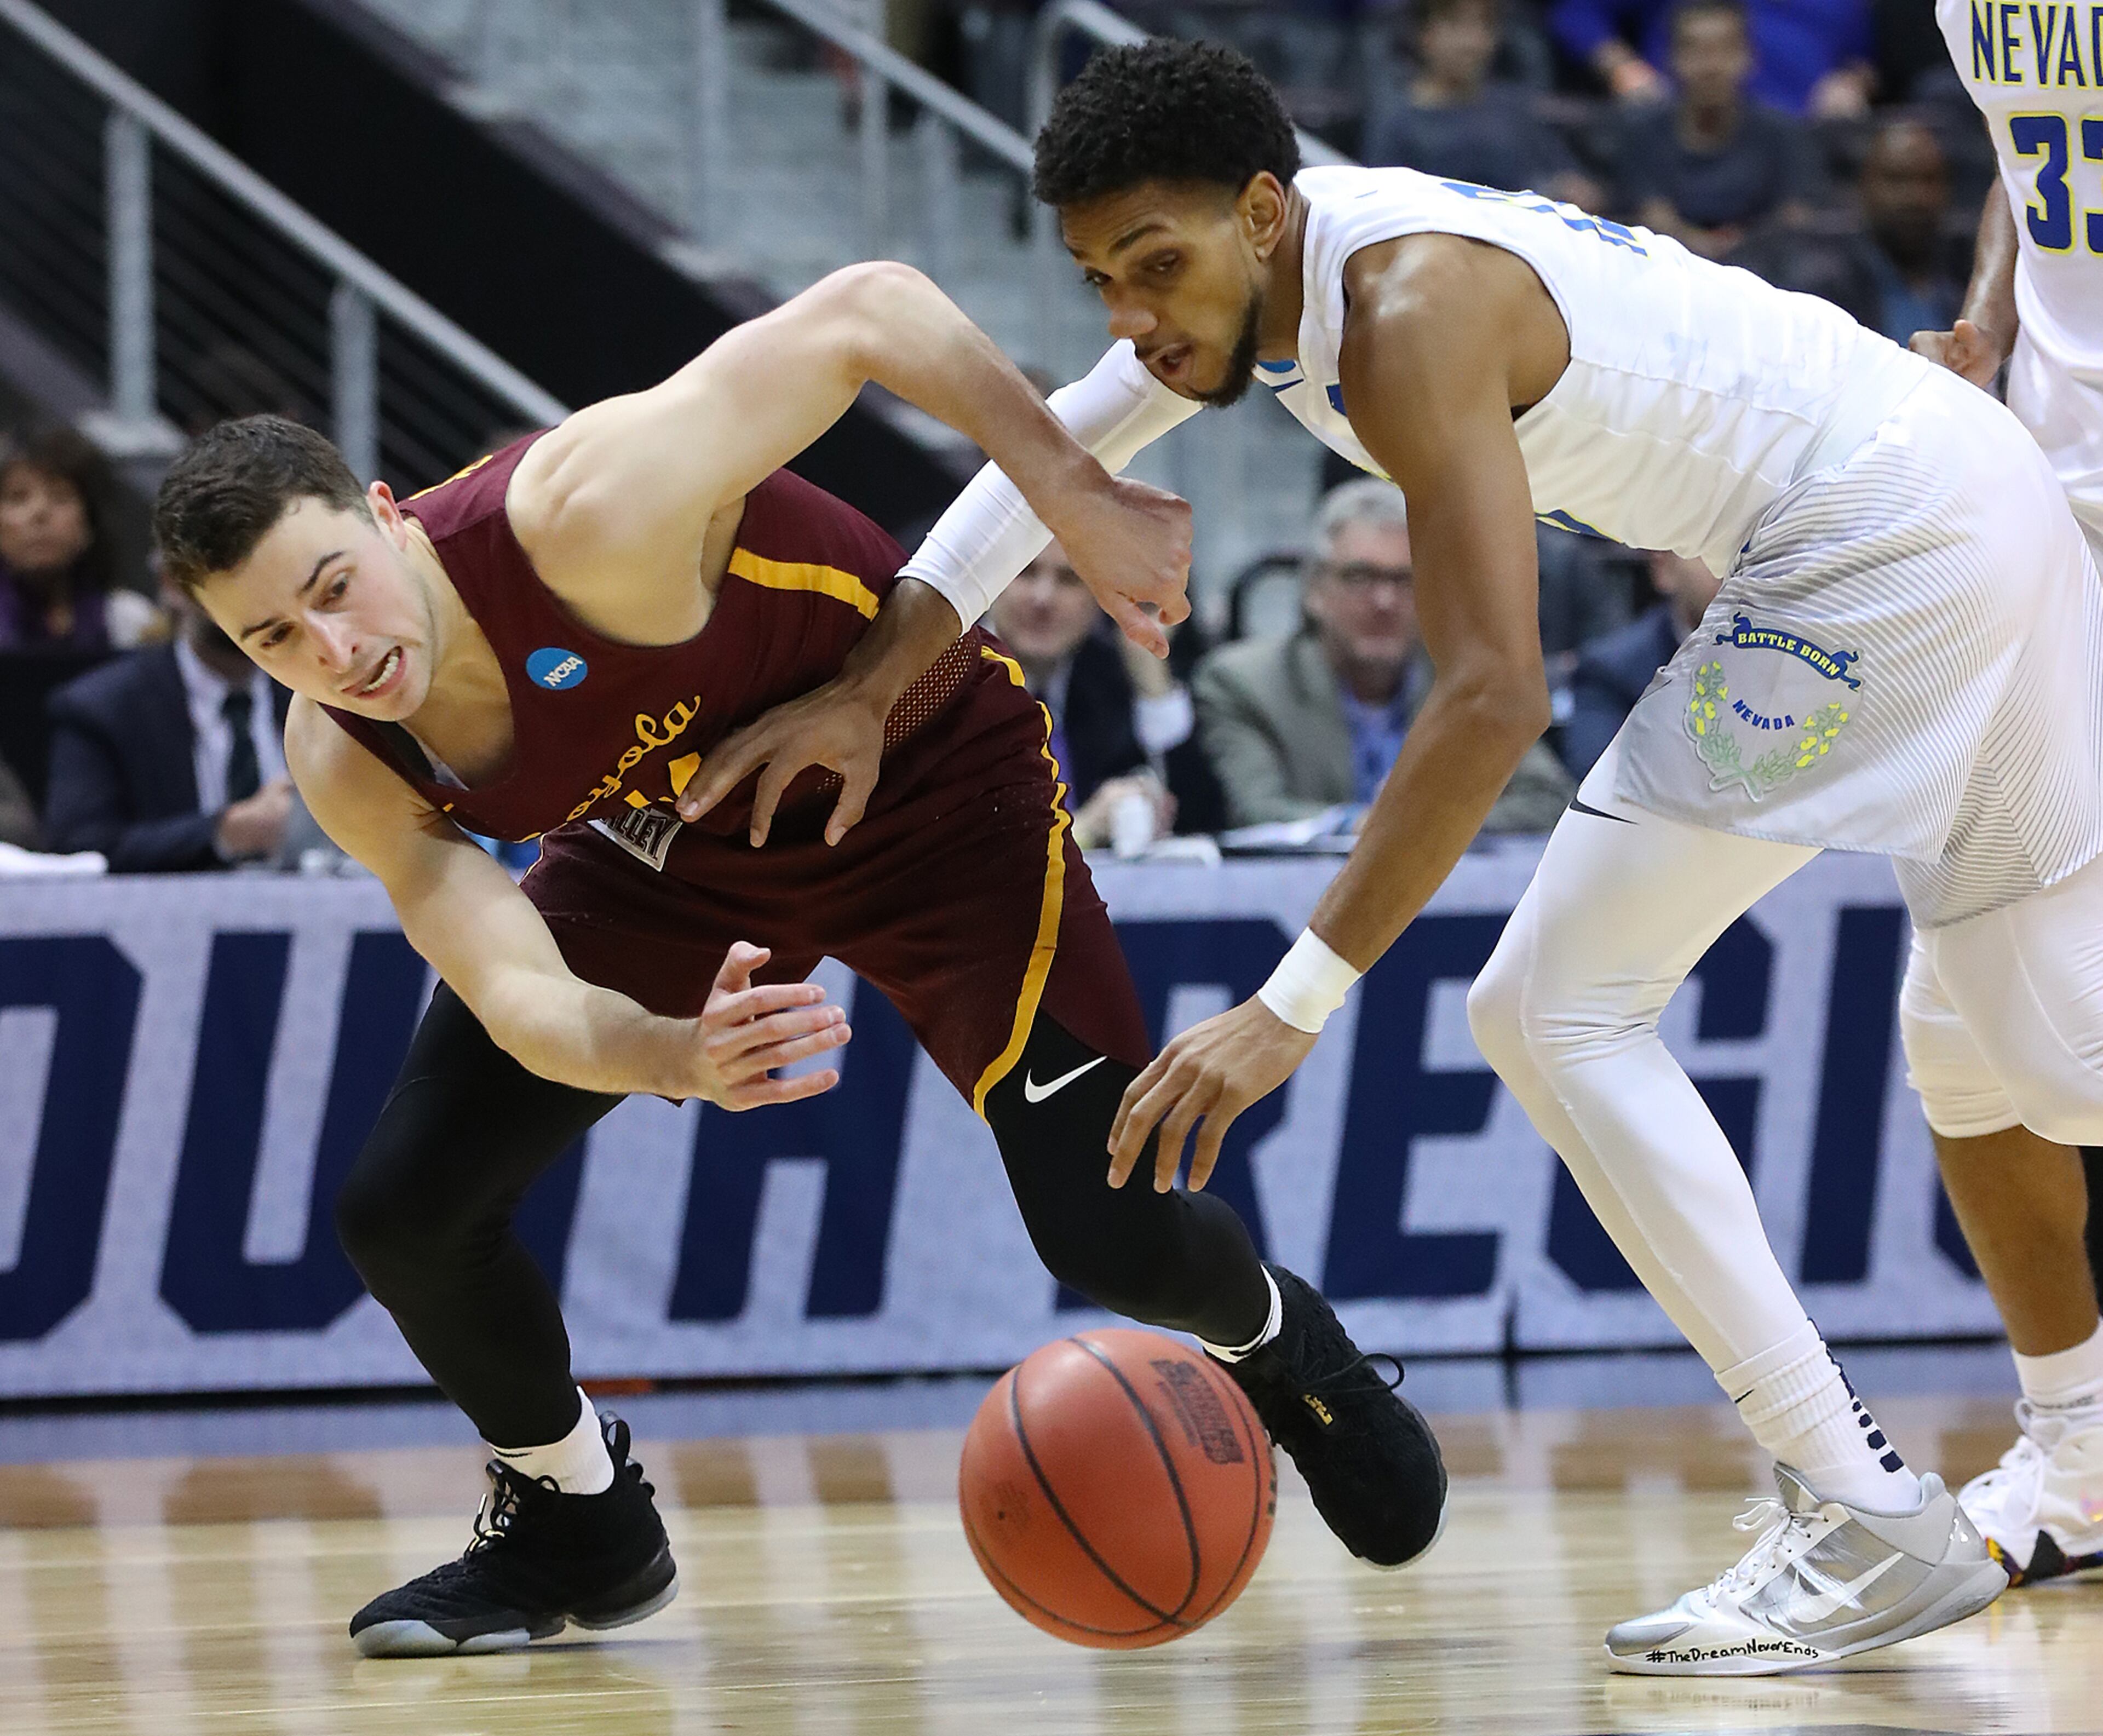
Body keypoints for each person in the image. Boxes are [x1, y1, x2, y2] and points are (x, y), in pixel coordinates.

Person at [731, 40, 2096, 1674]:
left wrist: (1288, 1004)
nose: (1128, 316)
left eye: (1150, 266)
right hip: (1970, 496)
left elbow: (1492, 693)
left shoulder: (1399, 314)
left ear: (1259, 210)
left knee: (1550, 1008)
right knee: (2042, 1053)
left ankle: (1859, 1508)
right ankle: (2059, 1463)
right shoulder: (1271, 278)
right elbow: (1043, 459)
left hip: (1871, 540)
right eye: (1097, 277)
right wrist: (870, 692)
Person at [151, 262, 1446, 1658]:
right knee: (406, 1208)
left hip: (931, 794)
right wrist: (673, 1054)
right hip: (682, 845)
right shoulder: (344, 753)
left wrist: (1067, 490)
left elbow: (867, 310)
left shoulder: (587, 512)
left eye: (335, 586)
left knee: (1112, 1236)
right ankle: (576, 1518)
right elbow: (518, 989)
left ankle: (1281, 1344)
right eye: (273, 637)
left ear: (387, 514)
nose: (338, 650)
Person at [1899, 0, 2103, 1590]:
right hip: (2042, 499)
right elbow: (2030, 163)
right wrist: (1988, 326)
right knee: (1955, 1023)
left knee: (2047, 1040)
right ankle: (2083, 1455)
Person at [1193, 478, 1572, 829]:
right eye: (1360, 577)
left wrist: (1427, 825)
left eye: (1405, 580)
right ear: (1315, 591)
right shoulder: (1245, 685)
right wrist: (1371, 828)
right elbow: (1257, 811)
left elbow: (1549, 799)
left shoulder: (1473, 684)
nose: (1384, 601)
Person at [44, 576, 292, 870]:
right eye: (220, 569)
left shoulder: (322, 695)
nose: (239, 590)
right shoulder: (101, 707)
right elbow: (78, 847)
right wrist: (226, 832)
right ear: (171, 583)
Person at [986, 539, 1202, 849]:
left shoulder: (1106, 675)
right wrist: (1082, 829)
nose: (1043, 598)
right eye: (1025, 573)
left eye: (1069, 579)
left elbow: (1198, 822)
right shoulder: (944, 675)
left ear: (1100, 599)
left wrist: (1149, 671)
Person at [1613, 0, 1823, 261]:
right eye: (1695, 50)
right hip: (1668, 266)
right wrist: (1701, 247)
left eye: (1725, 49)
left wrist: (1740, 247)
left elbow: (1795, 215)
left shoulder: (1783, 133)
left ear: (1750, 56)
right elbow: (1651, 214)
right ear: (1670, 57)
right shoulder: (1642, 133)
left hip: (1767, 269)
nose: (1711, 66)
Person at [1366, 0, 1601, 211]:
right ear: (1425, 34)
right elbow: (1383, 207)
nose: (1473, 42)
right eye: (1456, 25)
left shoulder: (1513, 110)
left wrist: (1572, 190)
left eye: (1484, 25)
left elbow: (1571, 179)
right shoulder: (1398, 122)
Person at [1552, 0, 1875, 117]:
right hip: (1678, 134)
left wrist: (1852, 84)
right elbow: (1578, 14)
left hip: (1802, 133)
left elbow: (1864, 59)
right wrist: (1624, 70)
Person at [1560, 549, 1721, 779]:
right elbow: (1598, 781)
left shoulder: (1777, 663)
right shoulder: (1612, 671)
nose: (1733, 568)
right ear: (1663, 568)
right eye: (1712, 550)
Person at [0, 426, 159, 652]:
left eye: (61, 496)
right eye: (18, 498)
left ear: (90, 521)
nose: (40, 513)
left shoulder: (133, 625)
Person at [1853, 116, 1961, 349]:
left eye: (1928, 180)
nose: (1915, 198)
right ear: (1865, 184)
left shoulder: (1969, 273)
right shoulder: (1827, 288)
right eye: (1897, 179)